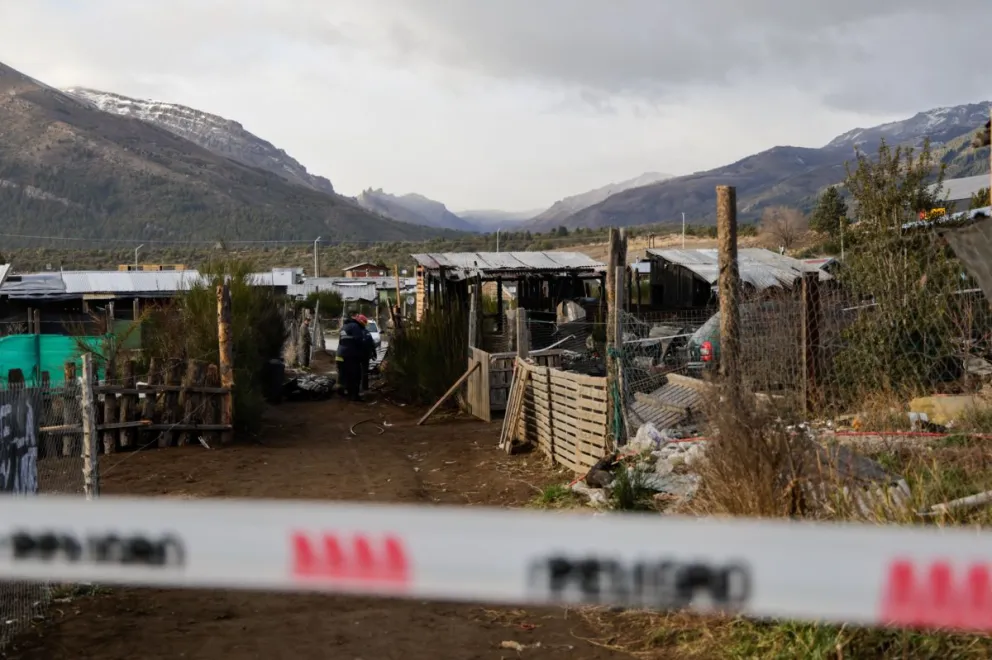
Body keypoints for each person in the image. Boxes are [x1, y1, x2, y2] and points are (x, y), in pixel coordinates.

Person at [335, 312, 365, 401]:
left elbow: (341, 341)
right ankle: (354, 396)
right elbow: (359, 342)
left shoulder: (345, 326)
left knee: (343, 375)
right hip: (350, 355)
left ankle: (342, 392)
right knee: (355, 375)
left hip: (340, 354)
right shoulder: (355, 327)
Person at [356, 314, 376, 392]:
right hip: (359, 355)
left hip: (364, 355)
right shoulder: (357, 331)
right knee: (361, 372)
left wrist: (374, 353)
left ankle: (364, 388)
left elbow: (371, 344)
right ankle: (361, 388)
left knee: (364, 372)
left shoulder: (366, 332)